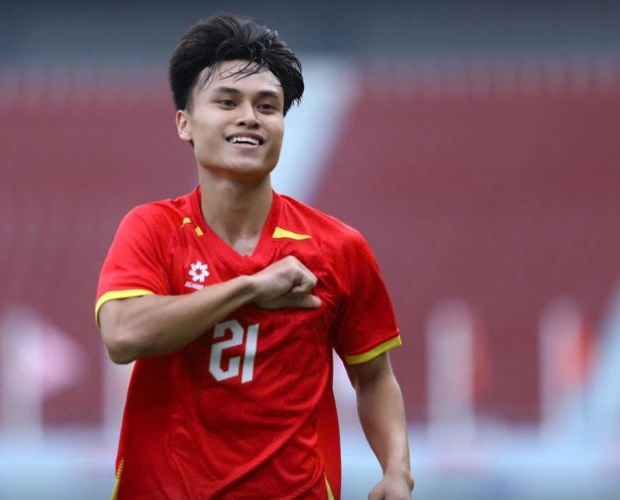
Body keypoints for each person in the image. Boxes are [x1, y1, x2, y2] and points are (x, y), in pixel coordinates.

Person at [95, 13, 413, 499]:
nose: (249, 117)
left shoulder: (338, 247)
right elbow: (123, 335)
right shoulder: (152, 228)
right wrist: (249, 288)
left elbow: (374, 378)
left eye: (267, 106)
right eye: (227, 102)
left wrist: (397, 471)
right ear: (185, 123)